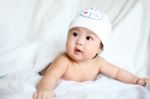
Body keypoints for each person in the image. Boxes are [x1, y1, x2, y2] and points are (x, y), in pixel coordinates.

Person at [33, 8, 150, 99]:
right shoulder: (64, 60)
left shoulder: (98, 63)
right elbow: (51, 76)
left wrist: (136, 80)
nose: (79, 41)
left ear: (99, 48)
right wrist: (45, 89)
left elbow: (117, 72)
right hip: (50, 69)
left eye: (88, 38)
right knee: (49, 68)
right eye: (74, 34)